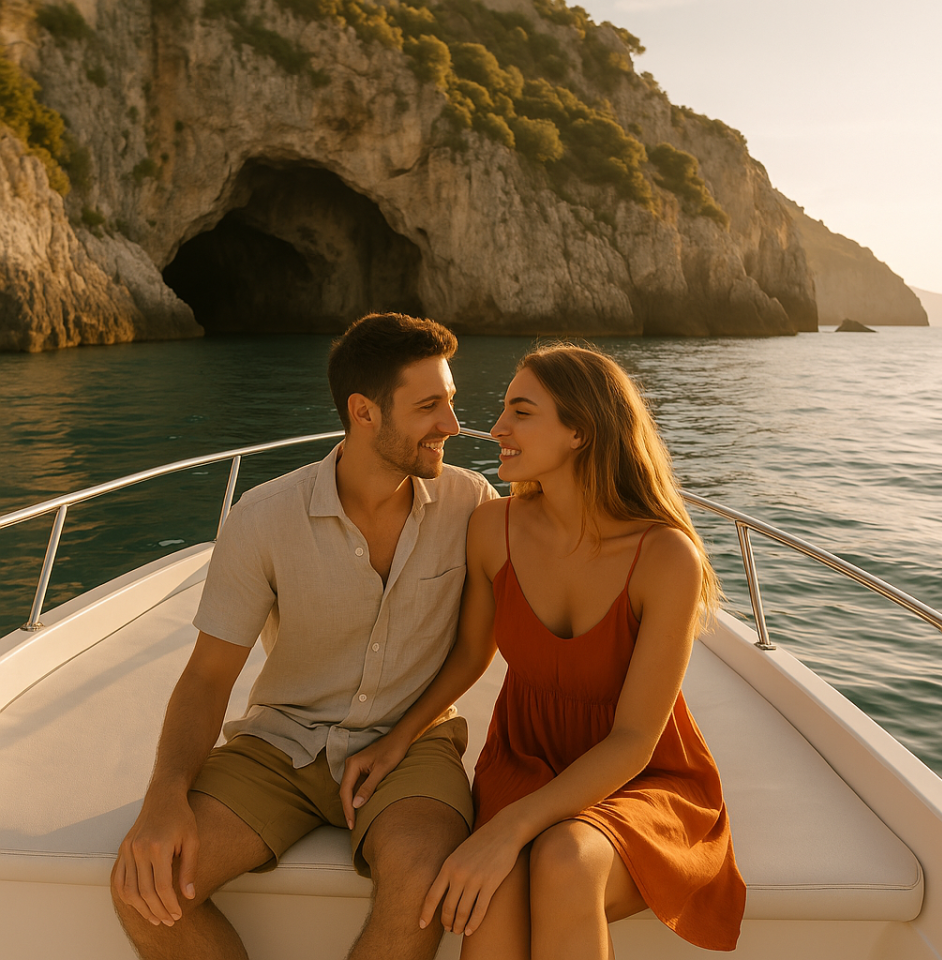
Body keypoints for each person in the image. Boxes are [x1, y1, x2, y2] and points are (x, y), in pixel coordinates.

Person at [110, 312, 498, 960]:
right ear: (364, 412)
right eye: (430, 406)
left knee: (423, 879)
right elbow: (207, 678)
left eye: (451, 403)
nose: (453, 426)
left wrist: (401, 737)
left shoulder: (473, 503)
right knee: (144, 890)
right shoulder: (263, 518)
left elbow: (474, 648)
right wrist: (164, 796)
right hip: (282, 743)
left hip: (414, 742)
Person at [342, 343, 745, 959]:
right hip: (524, 757)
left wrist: (508, 827)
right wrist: (396, 740)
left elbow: (635, 739)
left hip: (640, 774)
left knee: (563, 859)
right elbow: (470, 657)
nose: (495, 427)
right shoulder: (492, 528)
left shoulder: (664, 557)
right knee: (494, 892)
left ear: (580, 430)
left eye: (520, 411)